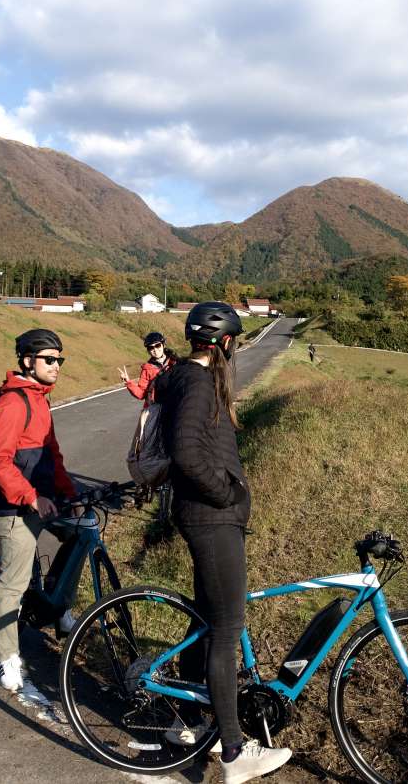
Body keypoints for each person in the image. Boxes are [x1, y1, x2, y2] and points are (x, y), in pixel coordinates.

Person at [151, 302, 292, 784]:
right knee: (226, 631)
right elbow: (187, 451)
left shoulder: (193, 378)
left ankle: (187, 722)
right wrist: (227, 491)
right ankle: (234, 752)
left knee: (208, 622)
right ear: (226, 343)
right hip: (212, 519)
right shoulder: (197, 380)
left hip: (210, 518)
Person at [0, 328, 79, 700]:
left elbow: (52, 454)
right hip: (16, 506)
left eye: (60, 359)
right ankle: (5, 654)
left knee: (80, 534)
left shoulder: (41, 400)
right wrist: (30, 497)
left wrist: (71, 494)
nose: (57, 366)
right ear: (28, 361)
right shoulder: (12, 404)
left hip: (45, 499)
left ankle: (58, 607)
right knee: (14, 584)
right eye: (49, 359)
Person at [119, 331, 176, 406]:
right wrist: (128, 382)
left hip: (176, 403)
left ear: (163, 345)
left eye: (158, 345)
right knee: (144, 417)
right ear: (148, 351)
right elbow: (141, 394)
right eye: (151, 348)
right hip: (156, 406)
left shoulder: (175, 362)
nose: (155, 350)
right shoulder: (147, 369)